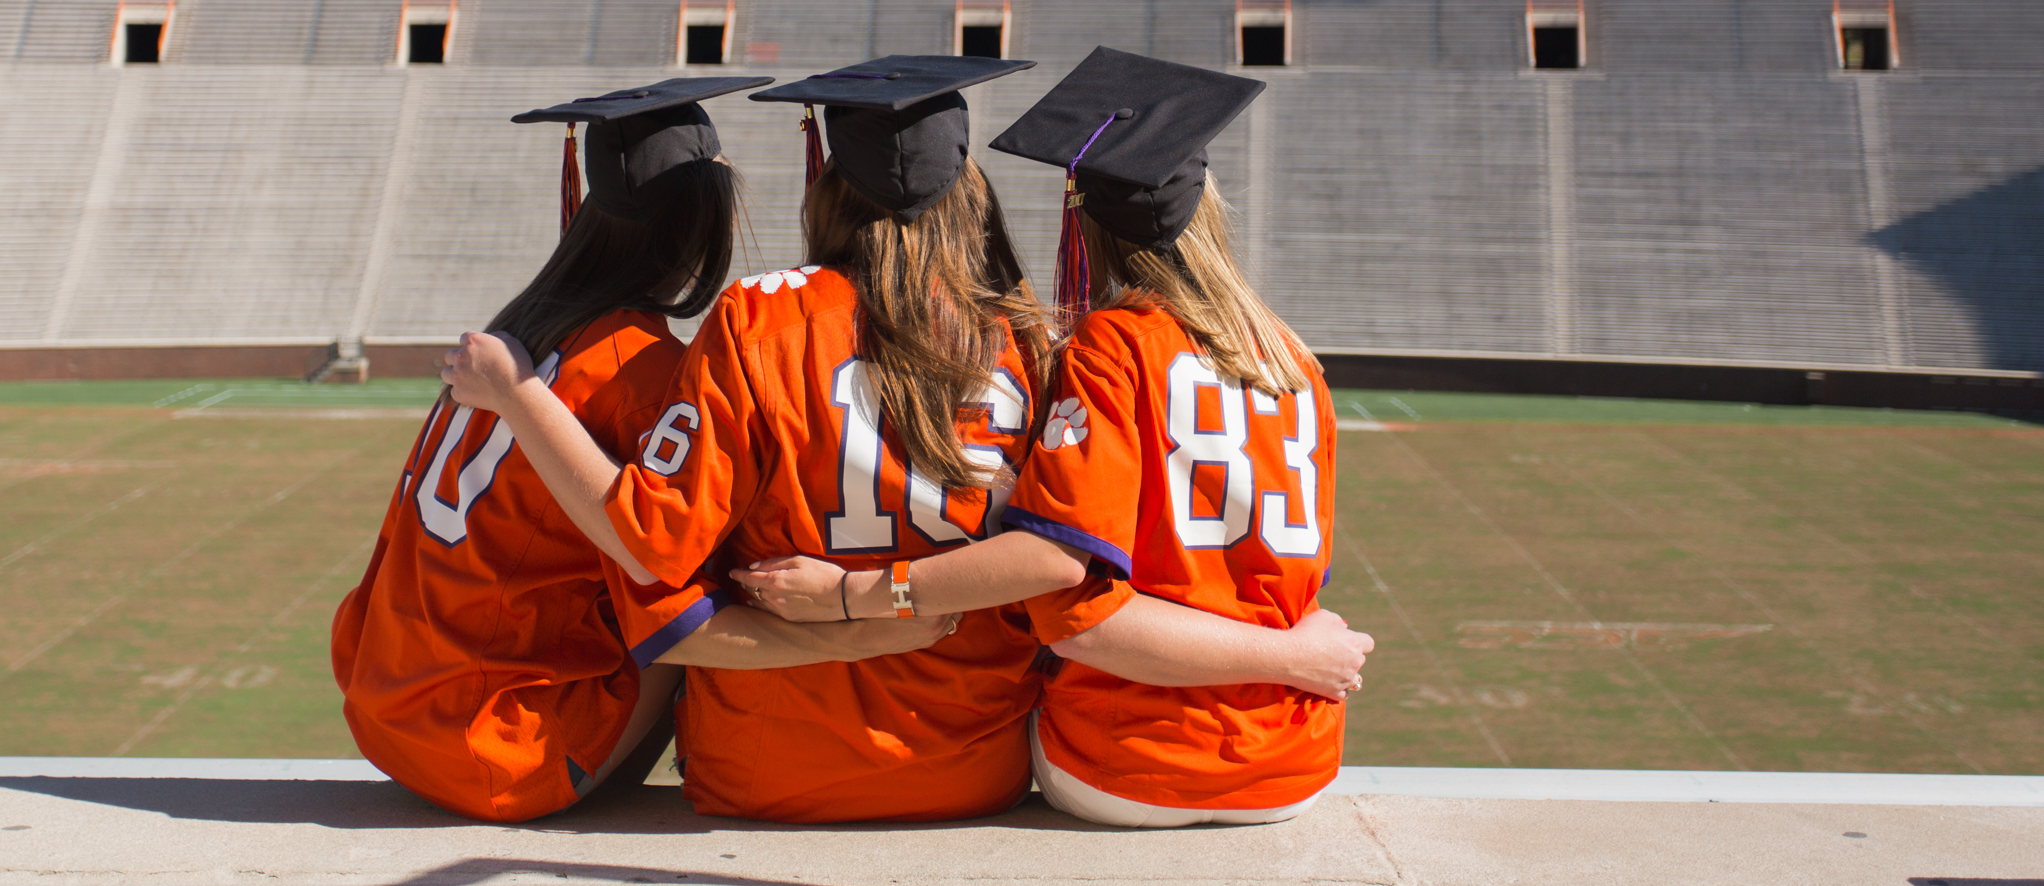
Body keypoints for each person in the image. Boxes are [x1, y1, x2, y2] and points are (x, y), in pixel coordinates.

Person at [736, 47, 1374, 828]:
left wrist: (851, 595)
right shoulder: (1295, 361)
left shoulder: (1111, 347)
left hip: (1129, 760)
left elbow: (1084, 618)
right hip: (1295, 760)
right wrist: (1291, 656)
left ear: (1089, 227)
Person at [443, 54, 1056, 823]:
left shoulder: (757, 318)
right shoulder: (1026, 339)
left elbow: (654, 536)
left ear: (829, 180)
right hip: (975, 763)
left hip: (769, 766)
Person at [333, 76, 951, 824]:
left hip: (387, 709)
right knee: (721, 587)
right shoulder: (641, 372)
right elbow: (684, 606)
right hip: (493, 746)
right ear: (703, 222)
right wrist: (866, 626)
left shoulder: (517, 332)